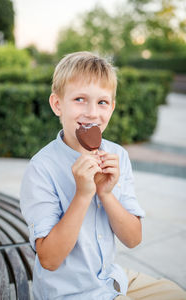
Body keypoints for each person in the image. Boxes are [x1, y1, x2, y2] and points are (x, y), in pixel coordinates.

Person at [20, 51, 186, 300]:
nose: (92, 113)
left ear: (112, 107)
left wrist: (106, 194)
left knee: (174, 293)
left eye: (102, 102)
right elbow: (50, 260)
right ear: (57, 105)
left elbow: (133, 239)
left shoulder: (117, 156)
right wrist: (83, 194)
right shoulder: (42, 169)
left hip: (110, 276)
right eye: (79, 99)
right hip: (70, 291)